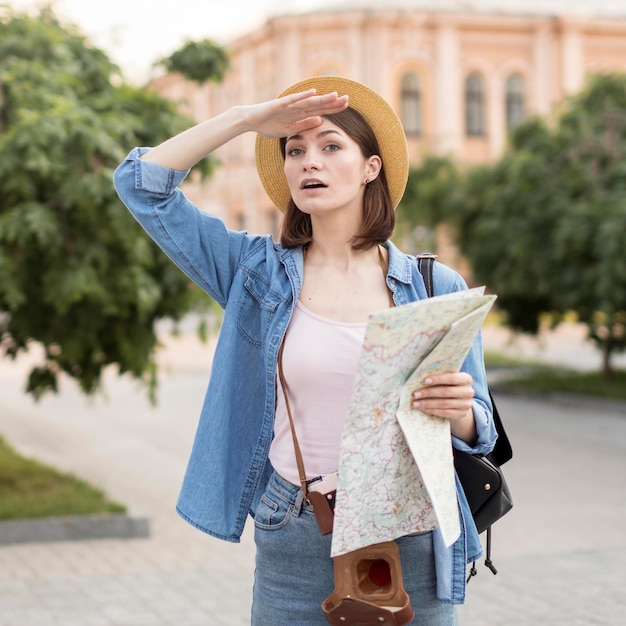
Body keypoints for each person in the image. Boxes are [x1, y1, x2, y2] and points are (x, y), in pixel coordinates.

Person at [114, 75, 497, 625]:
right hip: (295, 530)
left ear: (372, 167)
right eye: (295, 151)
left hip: (412, 536)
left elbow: (481, 429)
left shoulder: (436, 287)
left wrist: (459, 412)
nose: (308, 162)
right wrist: (245, 118)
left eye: (331, 146)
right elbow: (141, 185)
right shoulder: (255, 274)